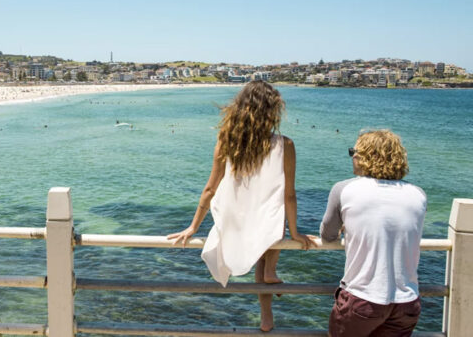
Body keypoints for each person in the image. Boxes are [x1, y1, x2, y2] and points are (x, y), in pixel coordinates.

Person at [168, 81, 315, 332]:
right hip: (267, 222)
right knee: (272, 220)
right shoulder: (285, 145)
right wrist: (295, 232)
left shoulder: (227, 141)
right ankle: (269, 285)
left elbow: (210, 189)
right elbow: (289, 195)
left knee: (264, 232)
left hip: (234, 219)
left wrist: (193, 227)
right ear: (271, 111)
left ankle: (267, 310)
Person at [320, 130, 426, 337]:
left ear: (365, 157)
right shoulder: (418, 194)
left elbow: (327, 235)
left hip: (363, 298)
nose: (352, 157)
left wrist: (347, 227)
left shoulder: (344, 189)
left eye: (354, 152)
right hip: (407, 302)